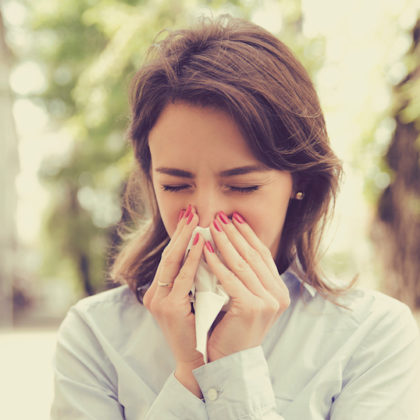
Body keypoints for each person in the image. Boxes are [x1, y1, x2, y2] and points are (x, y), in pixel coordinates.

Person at [51, 15, 420, 420]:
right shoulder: (96, 335)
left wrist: (234, 370)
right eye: (175, 186)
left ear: (300, 184)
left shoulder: (372, 336)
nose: (206, 219)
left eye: (242, 186)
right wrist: (191, 371)